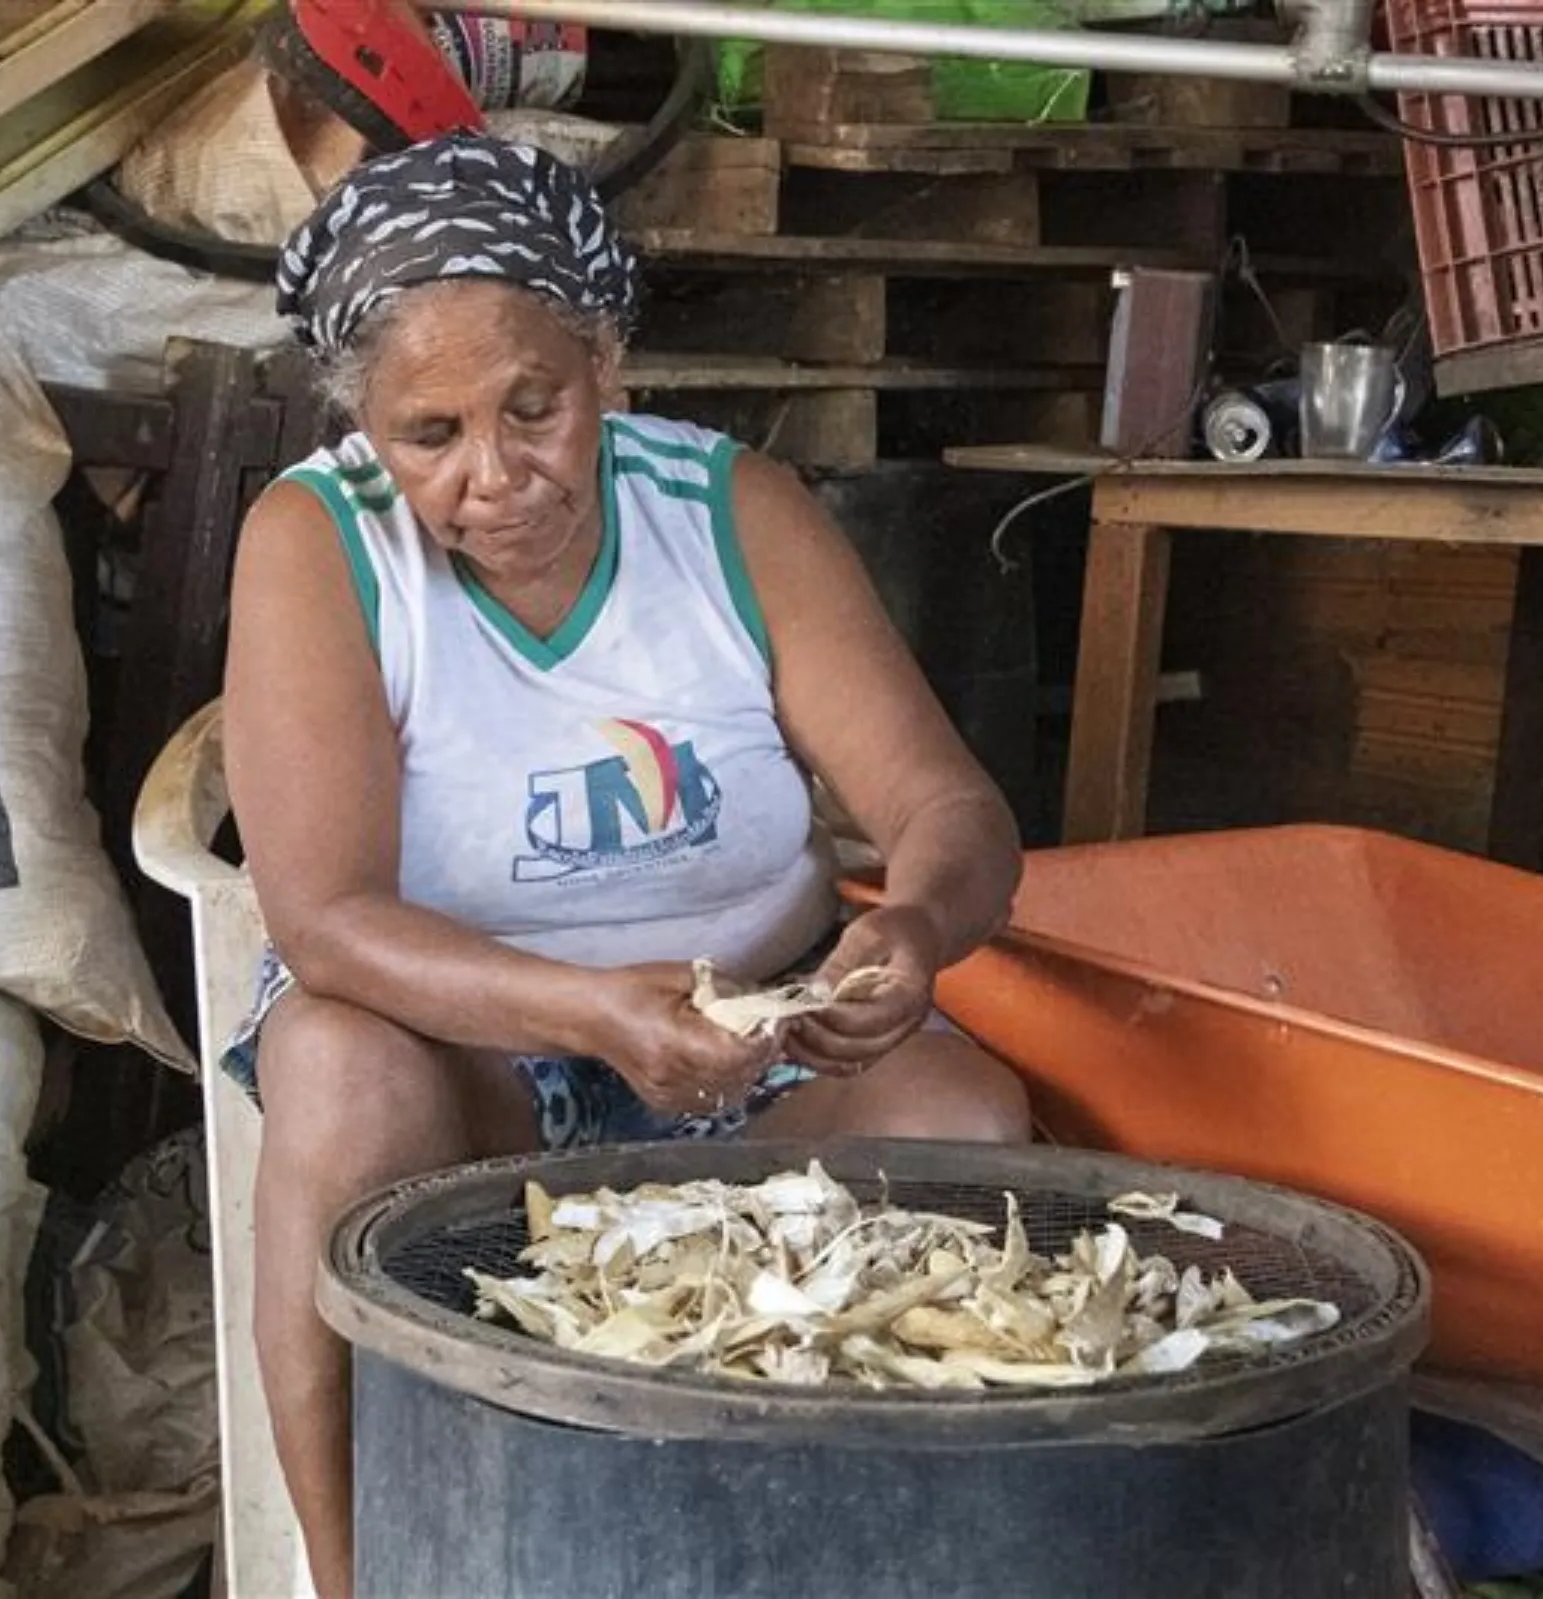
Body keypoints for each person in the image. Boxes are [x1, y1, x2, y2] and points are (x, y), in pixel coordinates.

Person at [221, 131, 1033, 1598]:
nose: (495, 475)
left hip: (760, 1023)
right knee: (339, 1073)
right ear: (368, 431)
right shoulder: (316, 542)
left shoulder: (732, 511)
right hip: (464, 1047)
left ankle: (845, 1565)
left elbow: (949, 808)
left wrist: (911, 928)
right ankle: (352, 1577)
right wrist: (588, 1012)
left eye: (534, 405)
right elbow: (327, 921)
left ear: (608, 363)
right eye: (431, 434)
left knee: (966, 1122)